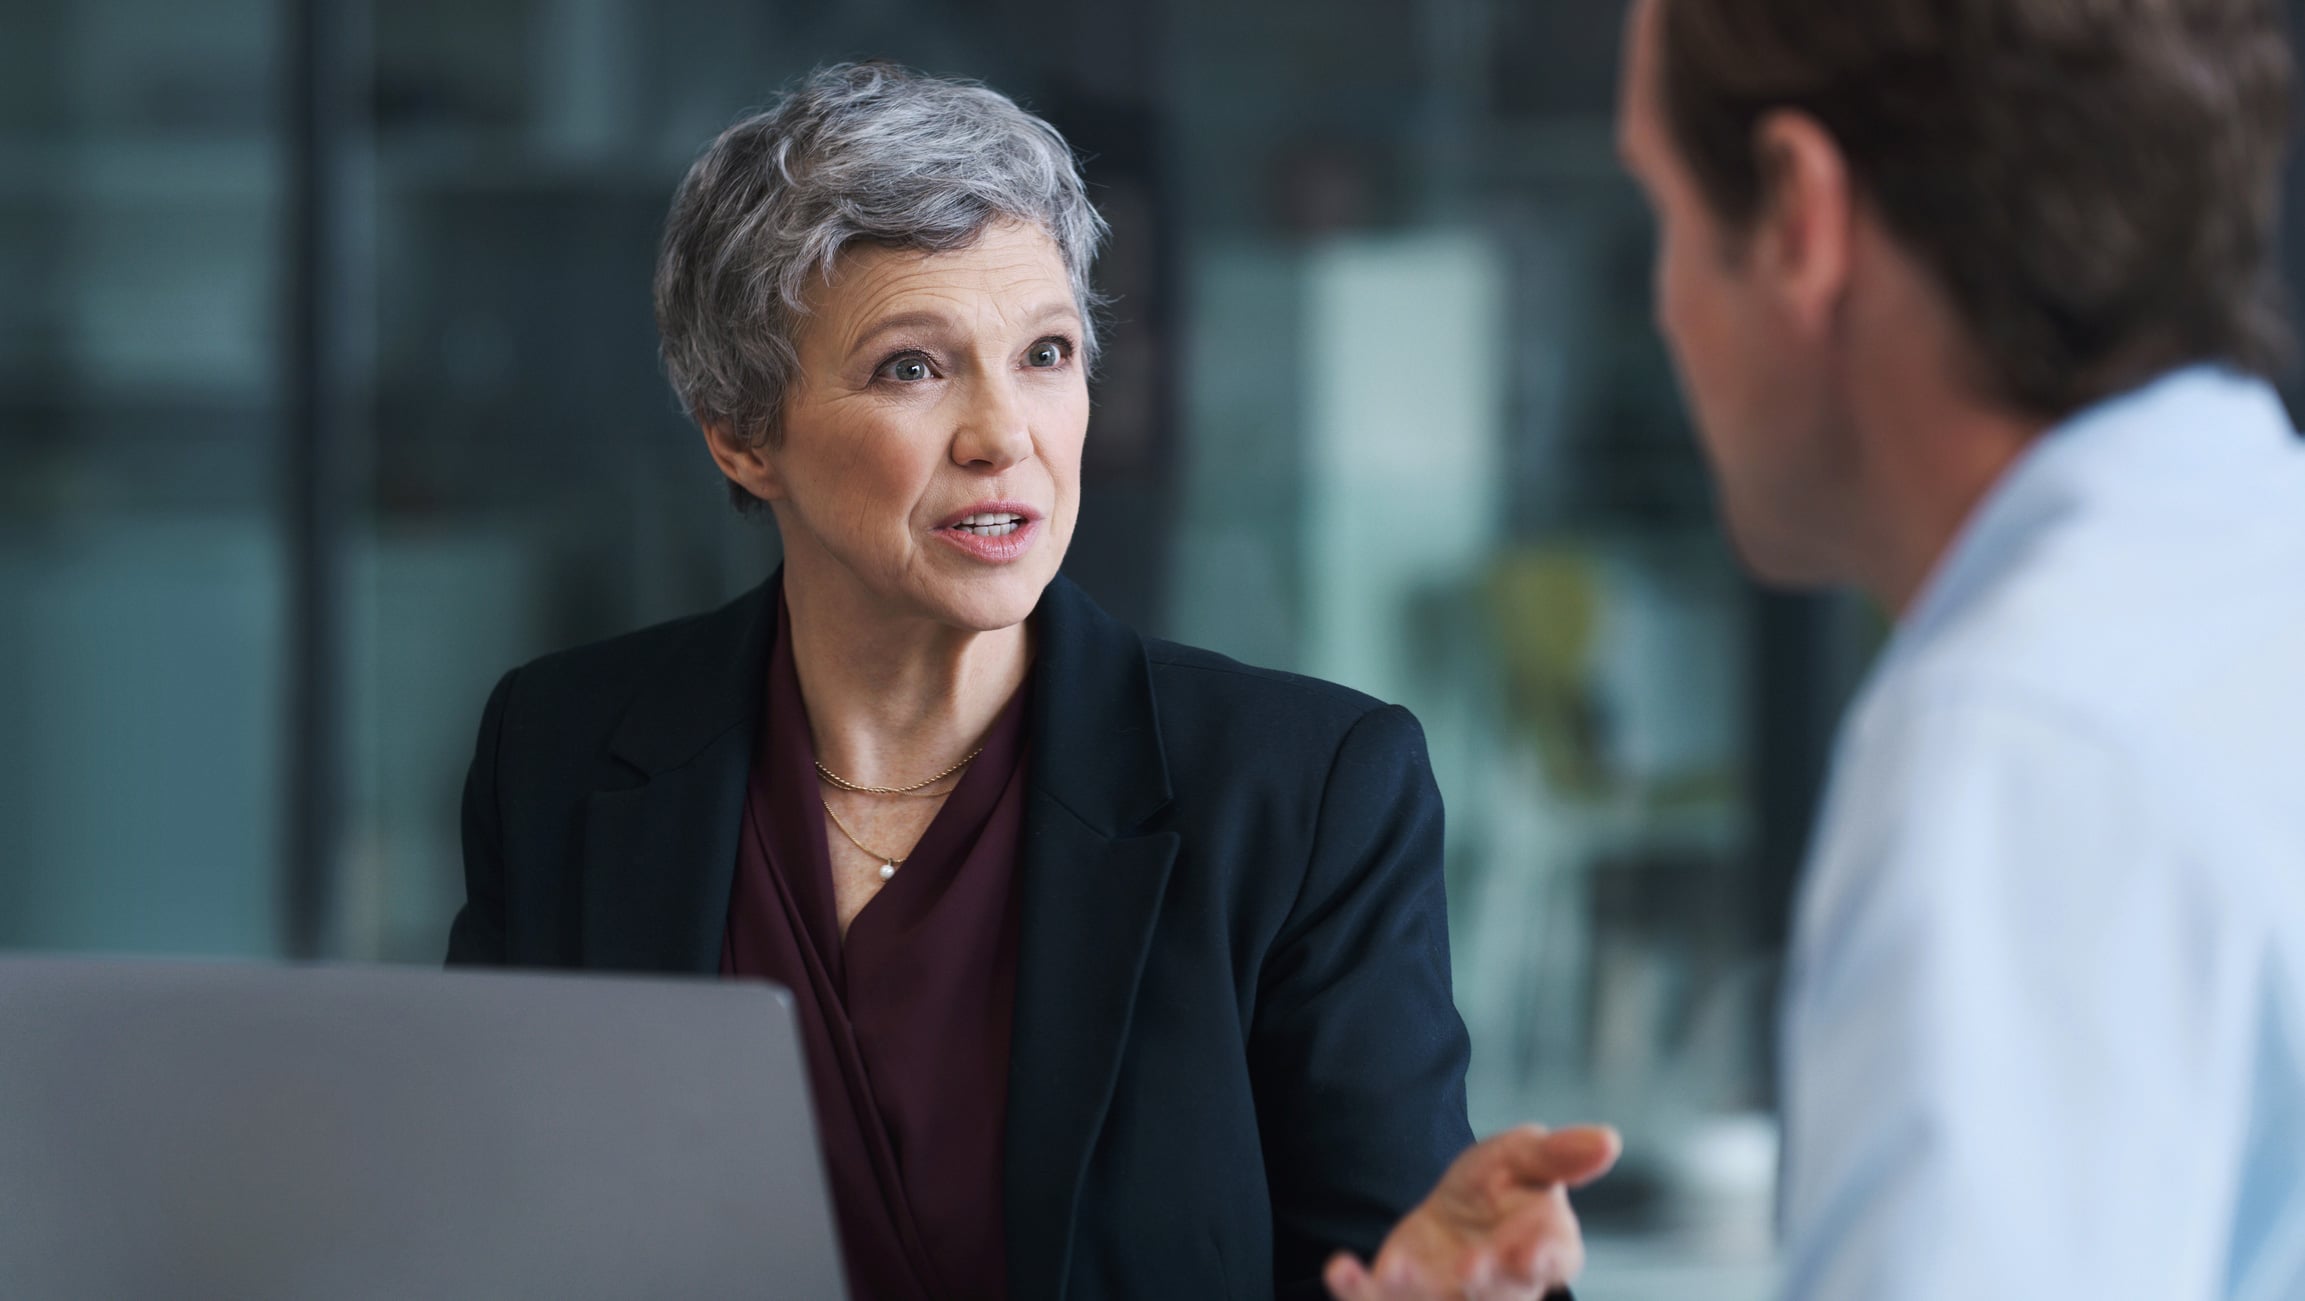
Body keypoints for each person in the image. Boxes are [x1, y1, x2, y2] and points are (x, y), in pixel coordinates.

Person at [444, 63, 1616, 1301]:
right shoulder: (562, 754)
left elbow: (1395, 1261)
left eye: (1046, 353)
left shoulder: (1302, 794)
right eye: (913, 366)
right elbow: (480, 1228)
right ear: (739, 429)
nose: (1004, 433)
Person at [1330, 0, 2305, 1297]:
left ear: (1797, 218)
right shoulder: (2240, 585)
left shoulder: (2014, 746)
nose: (1666, 309)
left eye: (1664, 218)